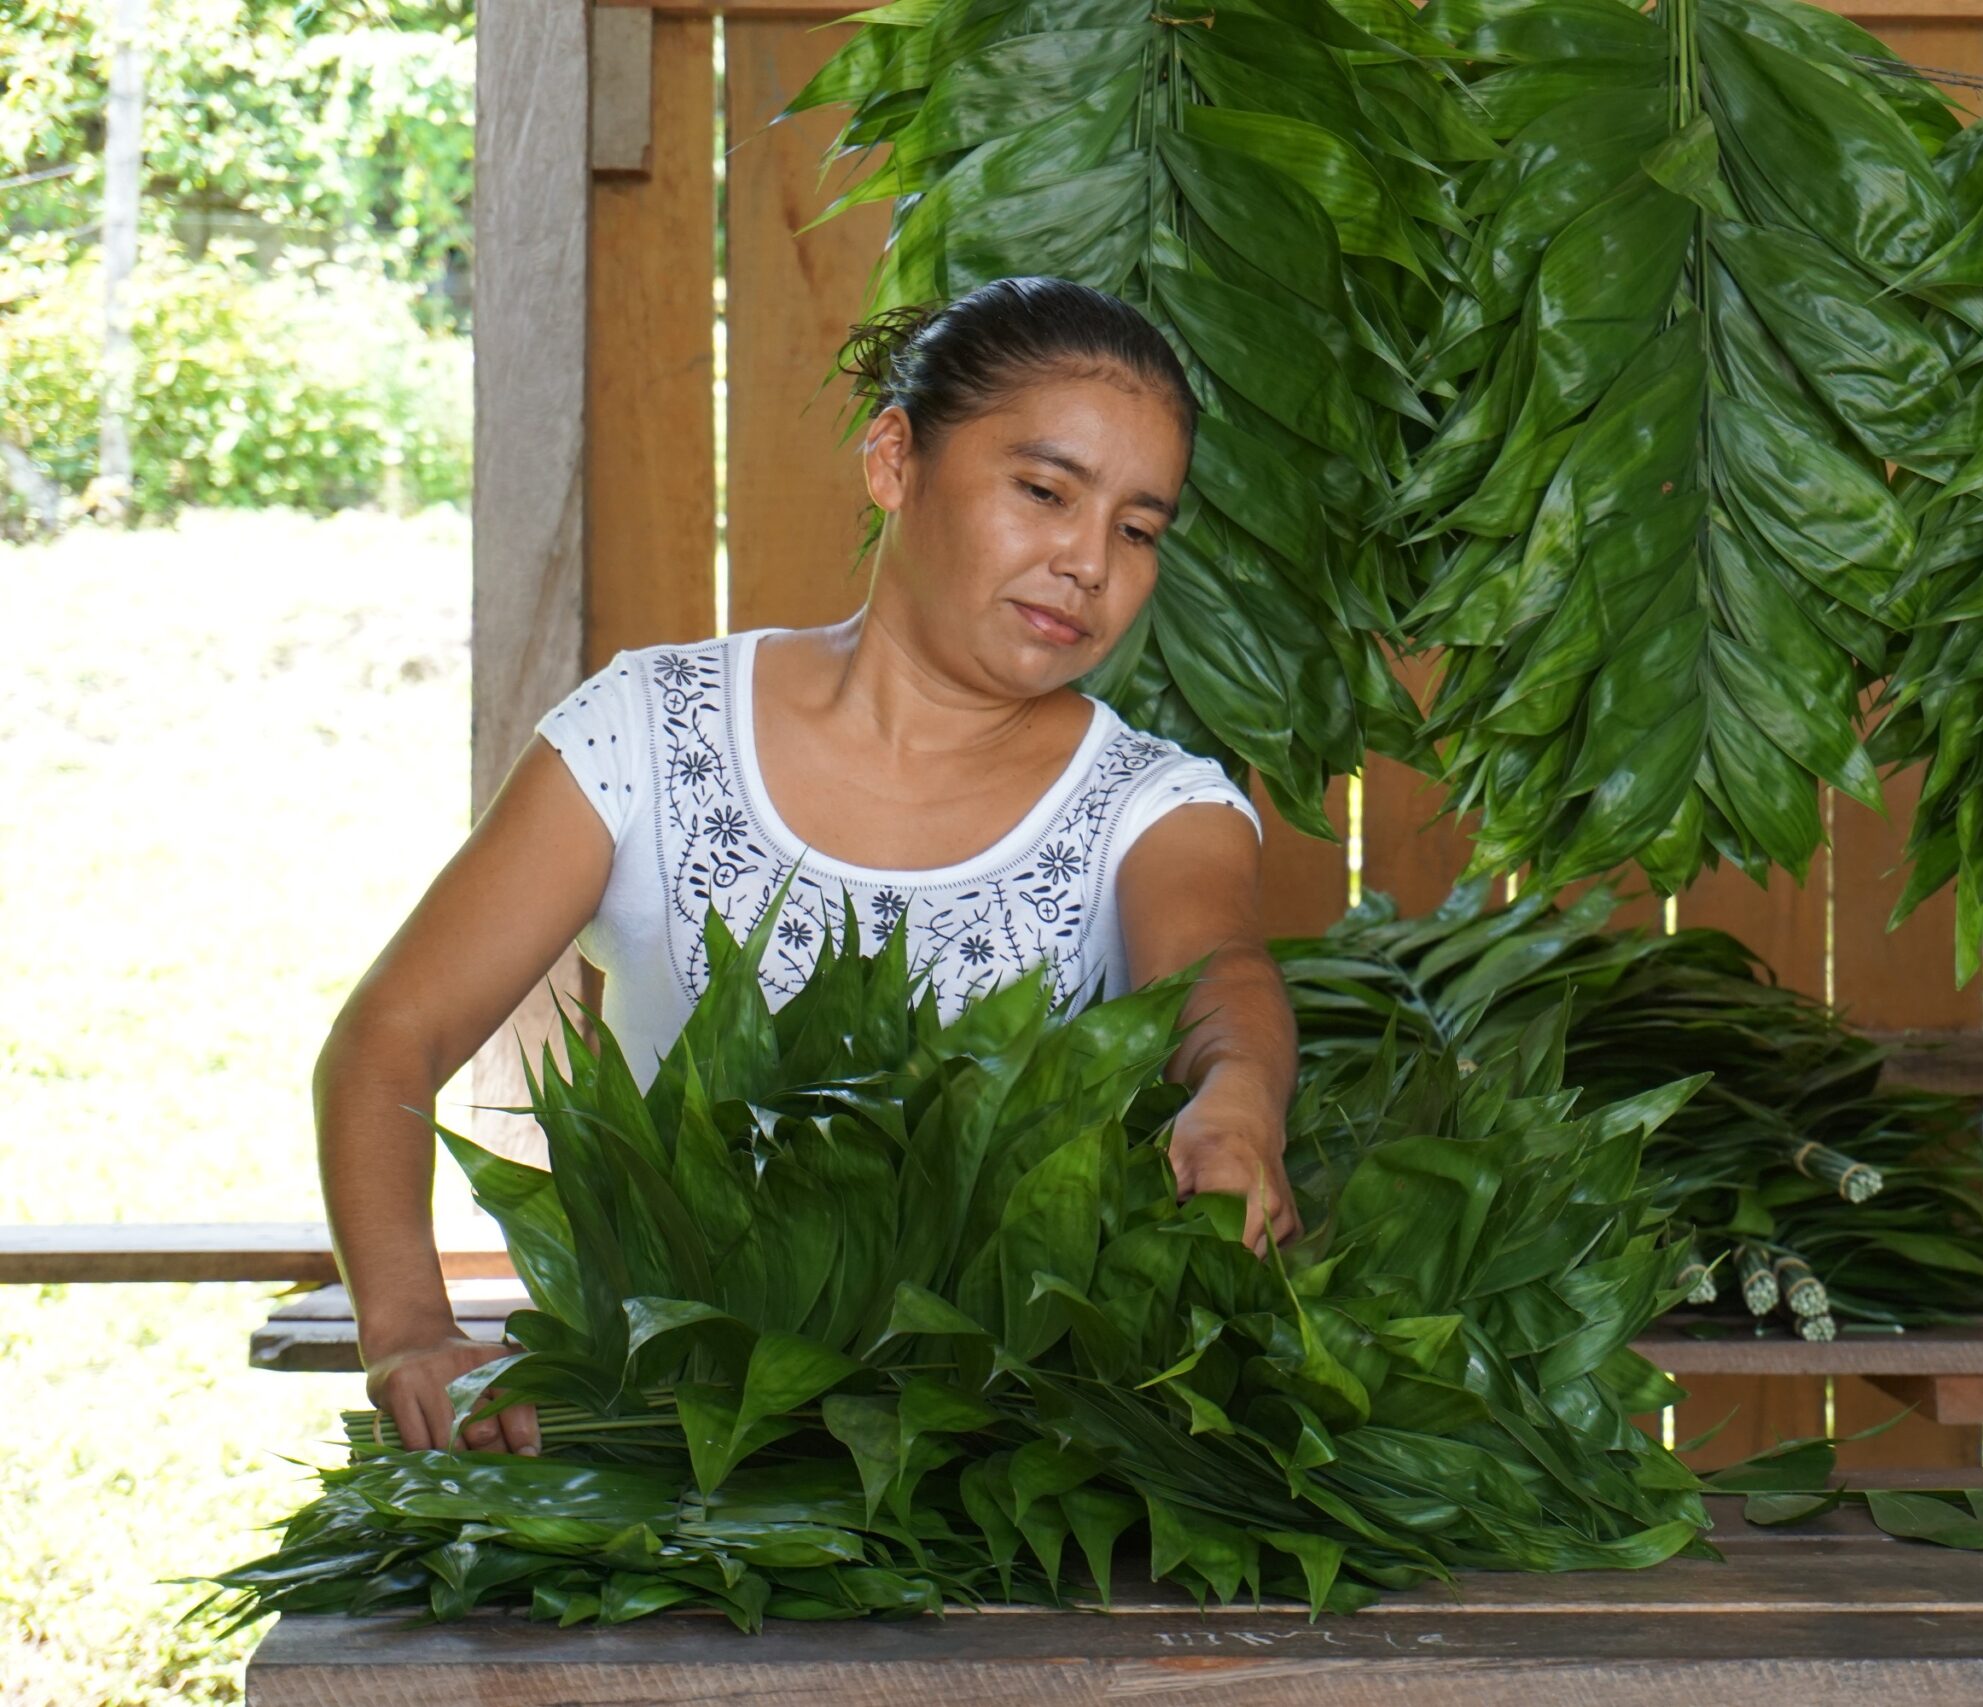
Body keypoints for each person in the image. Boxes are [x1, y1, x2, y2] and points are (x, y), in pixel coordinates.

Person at [316, 277, 1301, 1458]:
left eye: (1137, 531)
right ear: (894, 459)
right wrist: (411, 1329)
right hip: (647, 1448)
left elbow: (1219, 973)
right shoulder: (650, 728)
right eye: (1043, 491)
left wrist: (1237, 1090)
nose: (1088, 563)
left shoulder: (1153, 803)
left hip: (993, 1475)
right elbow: (387, 1040)